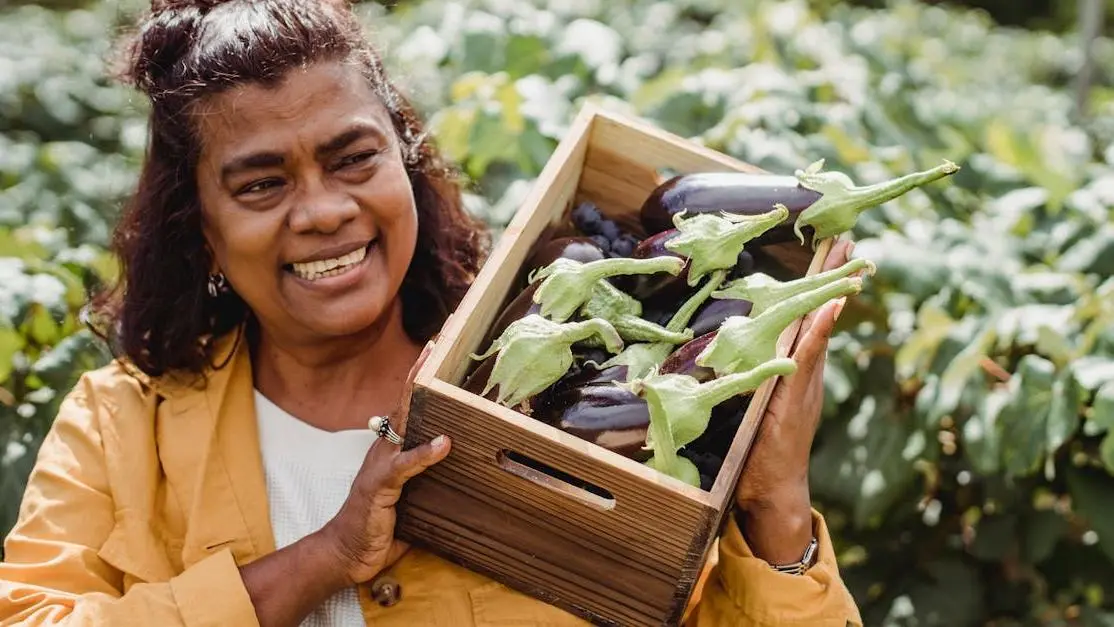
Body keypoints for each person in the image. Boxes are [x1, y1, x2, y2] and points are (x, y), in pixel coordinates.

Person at [0, 1, 864, 625]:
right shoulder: (119, 427)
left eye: (353, 157)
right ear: (203, 229)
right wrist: (322, 559)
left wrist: (777, 507)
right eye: (262, 183)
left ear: (406, 167)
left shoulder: (567, 387)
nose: (323, 210)